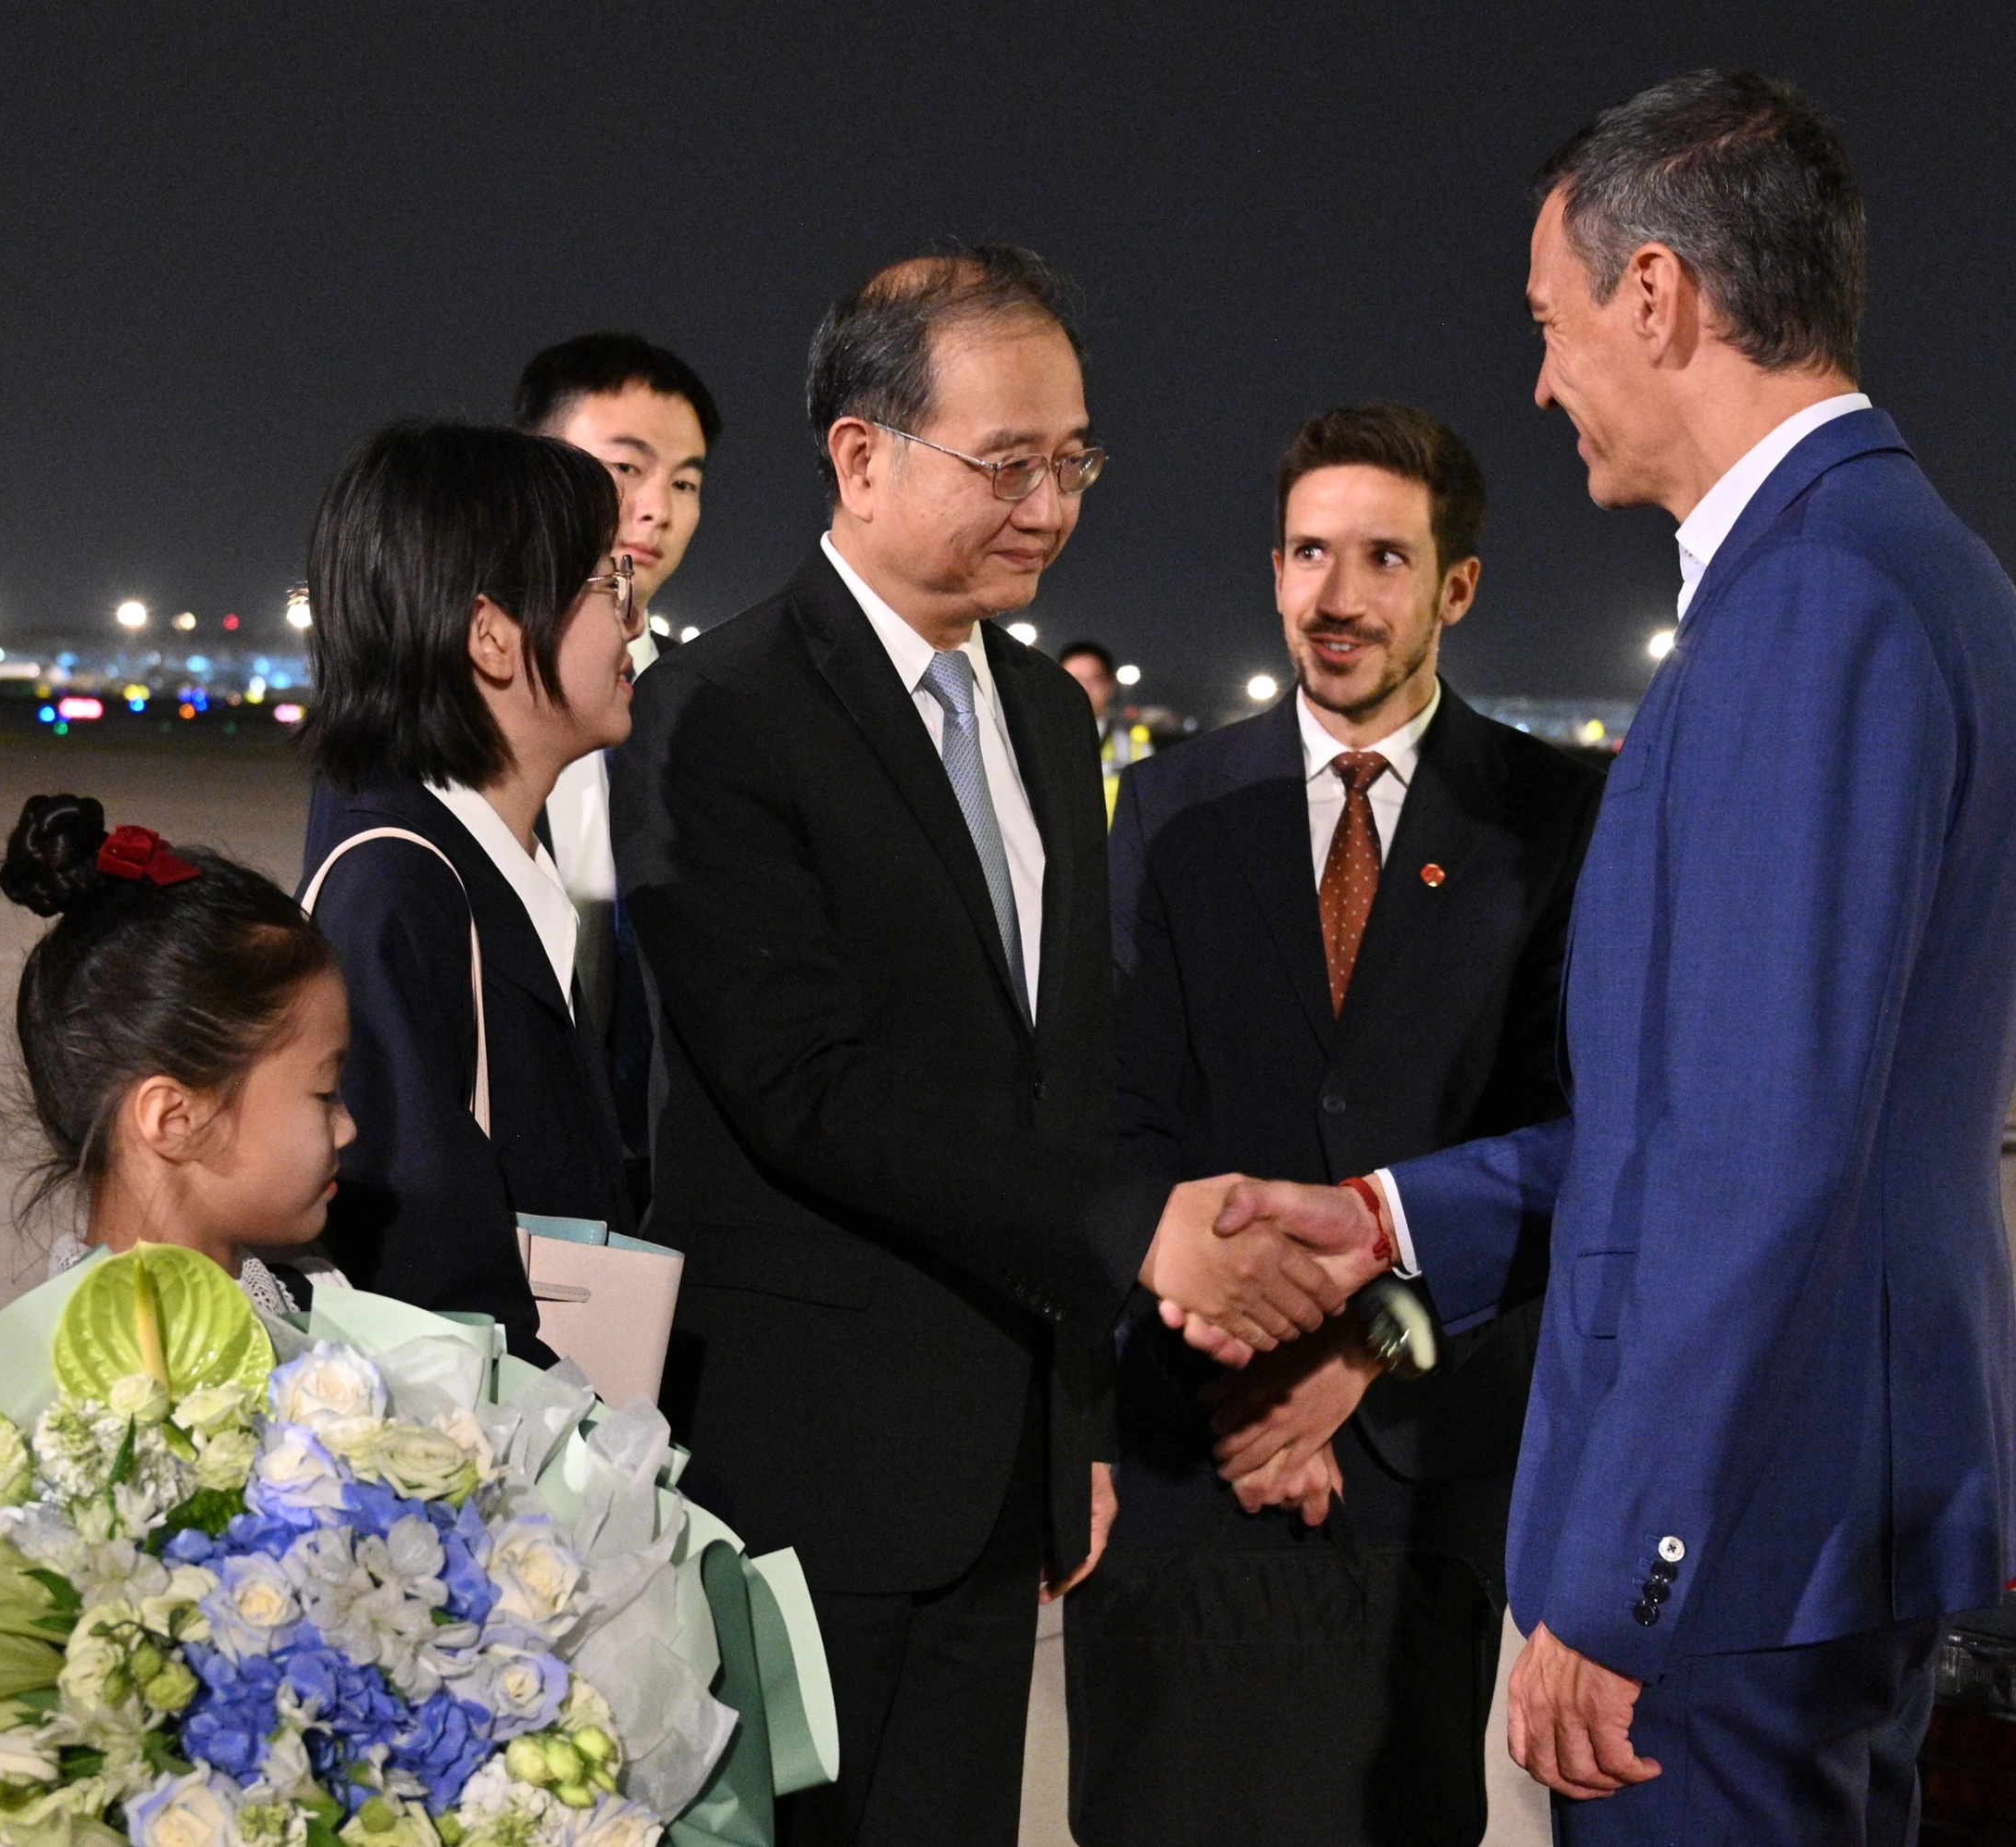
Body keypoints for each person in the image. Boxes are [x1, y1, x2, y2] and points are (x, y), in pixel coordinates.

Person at [1207, 73, 2016, 1843]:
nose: (1541, 380)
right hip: (1819, 1514)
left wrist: (1629, 1576)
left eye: (1553, 319)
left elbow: (1761, 1162)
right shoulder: (1905, 564)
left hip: (1745, 1548)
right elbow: (1720, 1120)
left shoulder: (1812, 606)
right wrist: (1392, 1220)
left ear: (1657, 296)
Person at [607, 243, 1367, 1846]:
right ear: (861, 456)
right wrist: (1139, 1232)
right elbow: (803, 1089)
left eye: (1073, 458)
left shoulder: (1047, 717)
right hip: (801, 1469)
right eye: (1006, 462)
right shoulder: (726, 712)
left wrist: (1071, 1426)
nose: (1049, 502)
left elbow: (1061, 1081)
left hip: (999, 1476)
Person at [1066, 404, 1600, 1846]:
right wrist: (1238, 1355)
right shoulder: (1167, 808)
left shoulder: (1556, 820)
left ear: (1457, 587)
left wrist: (1360, 1355)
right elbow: (1113, 1116)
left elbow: (1571, 1147)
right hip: (1191, 1445)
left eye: (1380, 556)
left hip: (1409, 1463)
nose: (1336, 594)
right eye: (1309, 552)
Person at [296, 421, 641, 1366]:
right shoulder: (398, 894)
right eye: (610, 586)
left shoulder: (486, 869)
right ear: (492, 635)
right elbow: (419, 1286)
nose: (636, 622)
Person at [0, 792, 354, 1315]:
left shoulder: (314, 1297)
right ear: (174, 1118)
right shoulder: (81, 1386)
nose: (348, 1127)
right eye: (325, 1093)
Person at [516, 332, 724, 1212]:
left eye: (684, 481)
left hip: (669, 1188)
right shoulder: (456, 703)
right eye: (624, 469)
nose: (656, 509)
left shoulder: (717, 712)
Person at [1059, 638, 1151, 815]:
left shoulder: (1138, 751)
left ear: (1110, 686)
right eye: (1073, 679)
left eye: (1094, 680)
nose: (1083, 688)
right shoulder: (1033, 743)